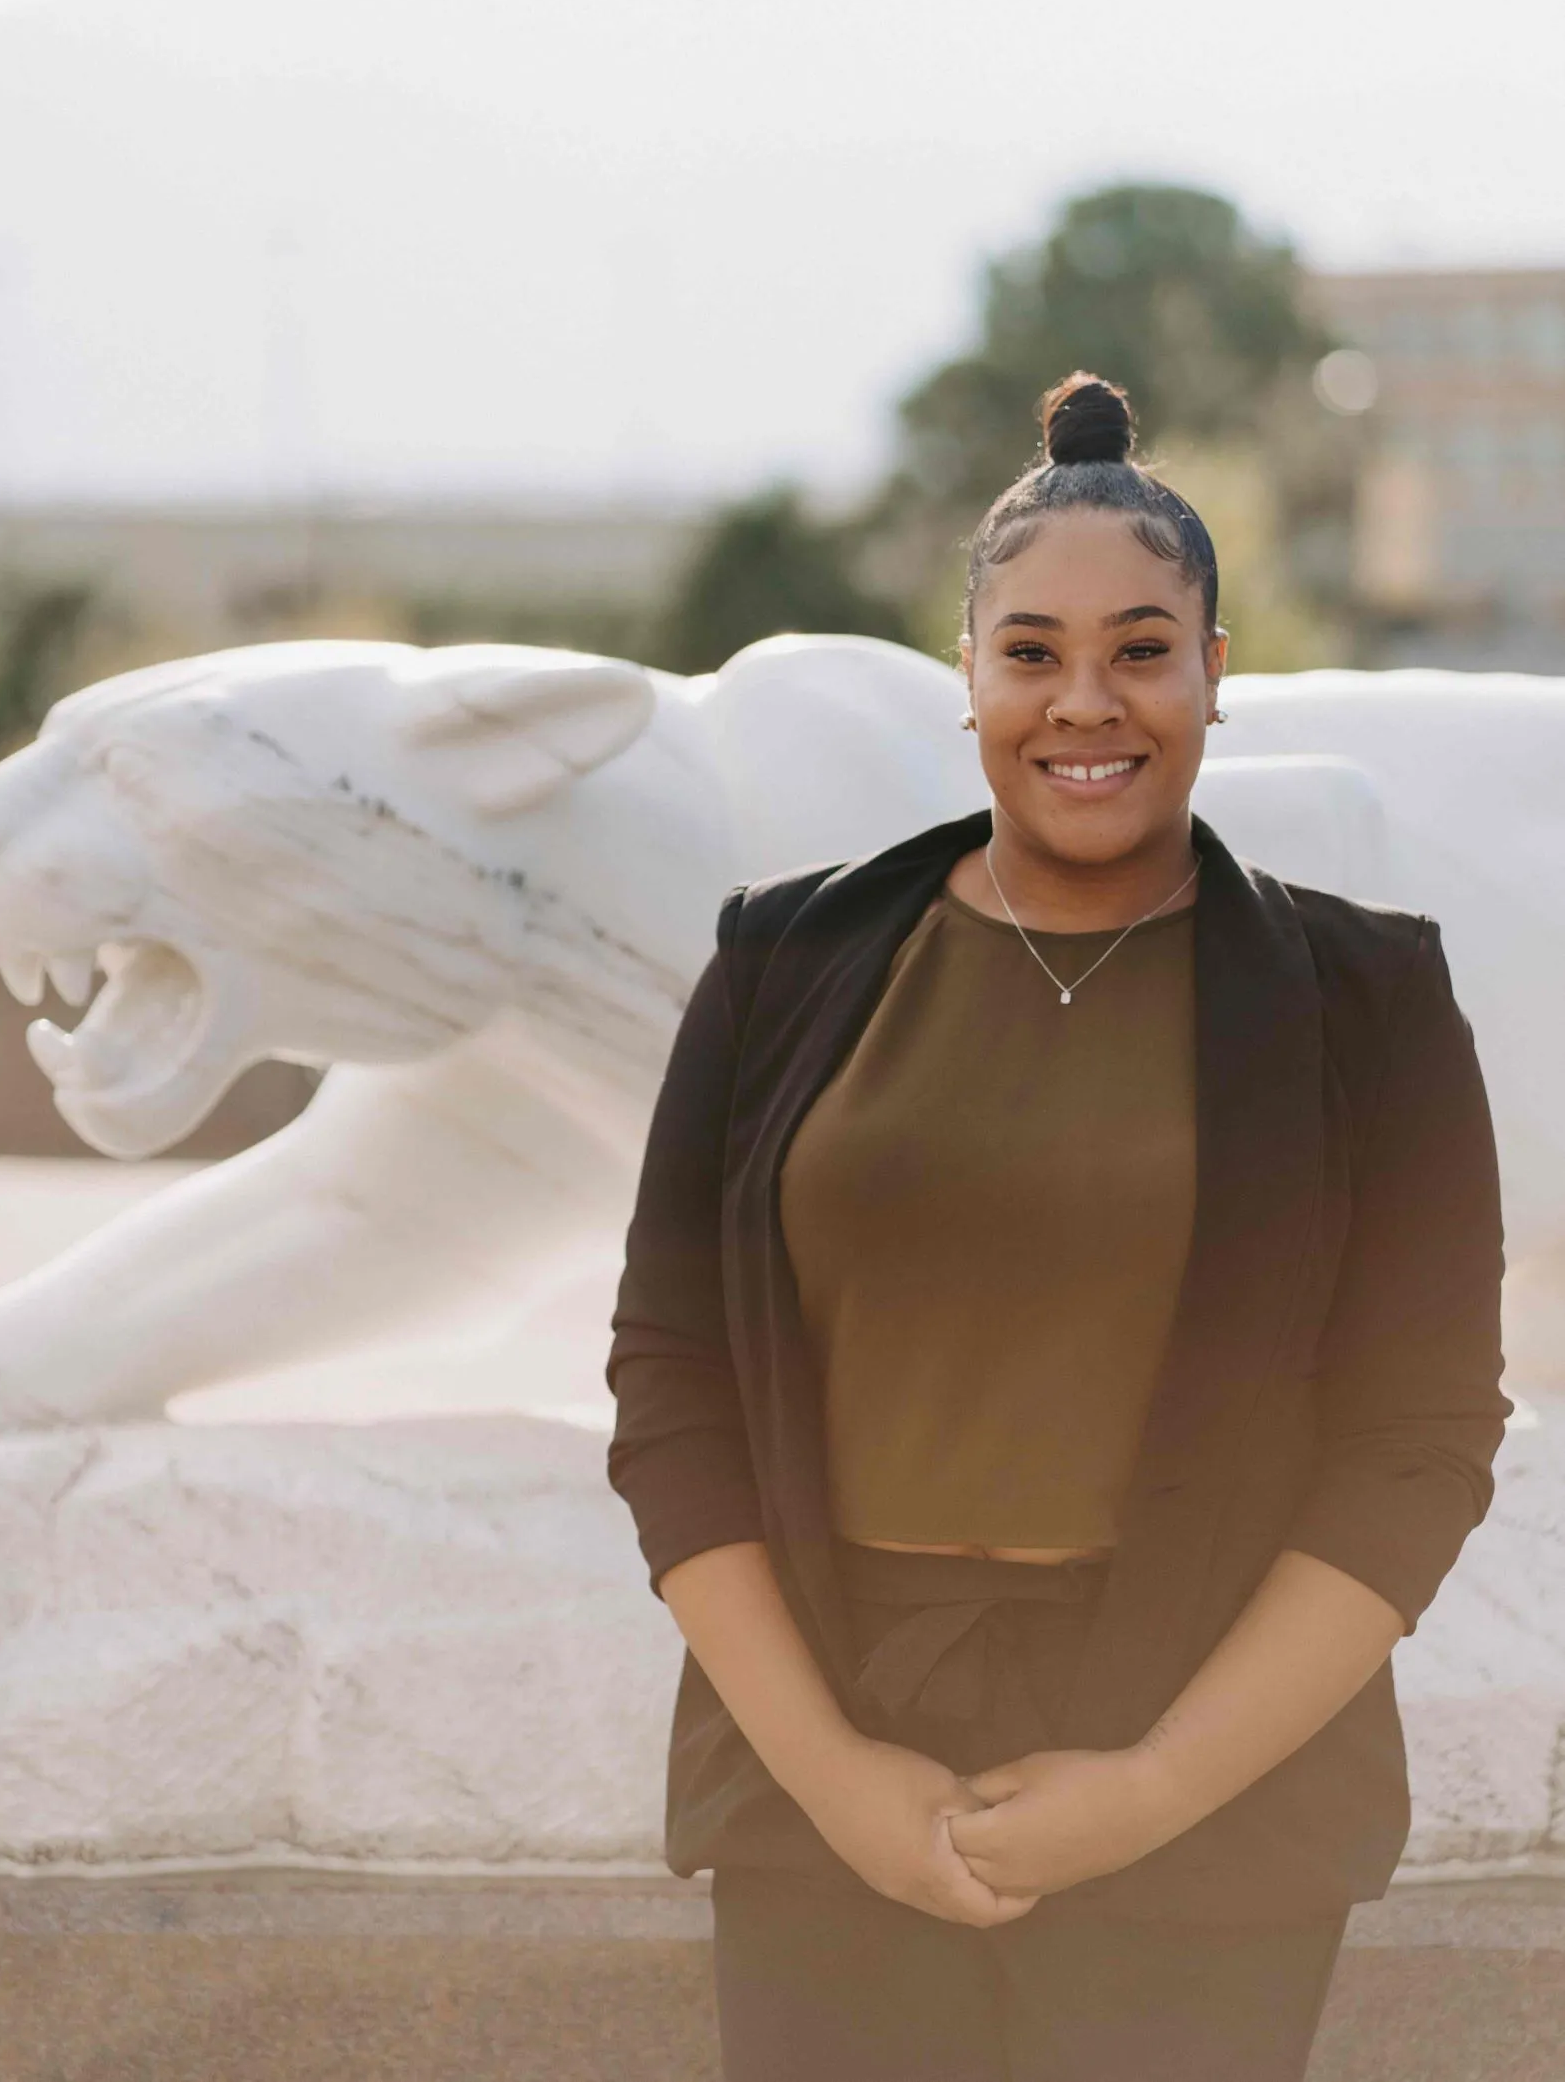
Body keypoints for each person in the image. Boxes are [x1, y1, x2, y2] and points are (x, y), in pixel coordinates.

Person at [606, 373, 1509, 2082]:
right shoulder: (781, 966)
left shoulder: (1368, 1000)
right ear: (966, 679)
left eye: (1140, 649)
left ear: (1215, 672)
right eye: (1027, 651)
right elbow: (671, 1384)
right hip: (825, 1759)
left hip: (1215, 1774)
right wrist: (837, 1780)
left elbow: (1418, 1438)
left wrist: (1152, 1788)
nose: (1081, 702)